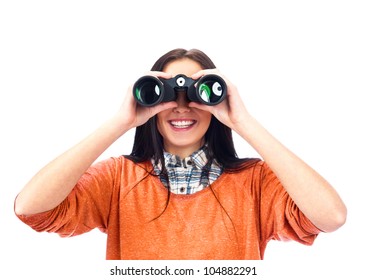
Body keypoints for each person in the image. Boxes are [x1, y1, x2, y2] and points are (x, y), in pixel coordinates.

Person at [14, 48, 347, 260]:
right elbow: (31, 208)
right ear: (150, 101)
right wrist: (122, 121)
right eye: (169, 93)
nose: (182, 106)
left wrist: (242, 121)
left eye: (196, 94)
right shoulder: (117, 180)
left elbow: (331, 216)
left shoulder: (254, 183)